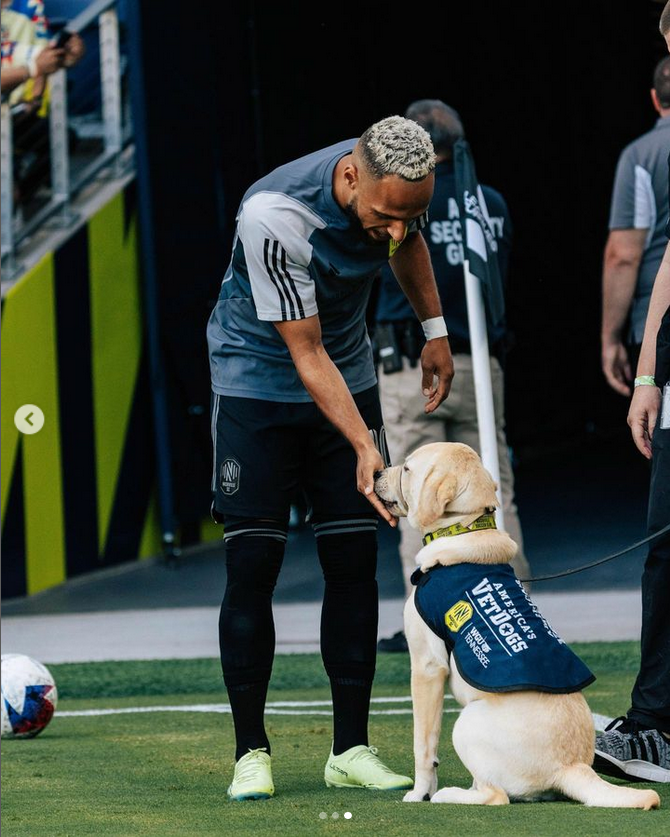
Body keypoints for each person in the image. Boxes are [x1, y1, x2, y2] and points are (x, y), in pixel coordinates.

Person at [206, 116, 454, 800]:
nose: (395, 230)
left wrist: (434, 330)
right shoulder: (274, 216)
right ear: (350, 176)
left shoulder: (397, 195)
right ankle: (250, 752)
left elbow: (407, 243)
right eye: (384, 216)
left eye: (410, 216)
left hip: (349, 376)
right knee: (252, 565)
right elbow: (305, 350)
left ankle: (350, 749)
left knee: (352, 561)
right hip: (256, 384)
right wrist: (365, 442)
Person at [373, 100, 530, 653]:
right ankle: (514, 605)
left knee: (415, 491)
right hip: (480, 361)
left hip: (414, 364)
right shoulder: (490, 203)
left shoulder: (402, 199)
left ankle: (429, 619)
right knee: (493, 489)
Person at [592, 0, 670, 785]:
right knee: (666, 546)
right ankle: (655, 723)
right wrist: (647, 371)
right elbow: (666, 256)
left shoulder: (644, 153)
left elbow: (626, 252)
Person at [601, 55, 670, 396]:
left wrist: (610, 338)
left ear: (655, 99)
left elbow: (623, 256)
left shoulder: (640, 155)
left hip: (658, 323)